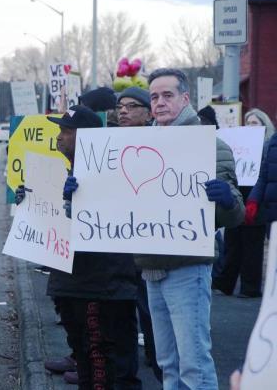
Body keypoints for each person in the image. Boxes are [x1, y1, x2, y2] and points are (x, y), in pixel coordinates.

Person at [134, 68, 245, 390]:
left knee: (194, 365)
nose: (159, 103)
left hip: (187, 266)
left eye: (167, 95)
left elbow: (235, 213)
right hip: (151, 267)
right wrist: (81, 194)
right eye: (154, 96)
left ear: (185, 99)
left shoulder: (210, 145)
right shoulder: (138, 146)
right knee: (168, 363)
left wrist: (226, 201)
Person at [23, 105, 140, 389]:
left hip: (100, 282)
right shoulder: (64, 172)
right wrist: (28, 202)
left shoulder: (114, 173)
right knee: (83, 353)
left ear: (85, 138)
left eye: (66, 131)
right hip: (71, 278)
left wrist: (80, 199)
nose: (59, 137)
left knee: (98, 353)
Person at [115, 87, 162, 383]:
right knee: (120, 321)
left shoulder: (162, 144)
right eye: (120, 106)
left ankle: (160, 369)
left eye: (131, 106)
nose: (123, 111)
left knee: (152, 317)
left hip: (151, 246)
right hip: (116, 247)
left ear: (148, 113)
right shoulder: (105, 145)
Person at [213, 108, 275, 298]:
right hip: (239, 196)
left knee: (252, 246)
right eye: (248, 123)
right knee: (233, 242)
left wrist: (256, 200)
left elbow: (264, 175)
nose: (250, 126)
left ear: (264, 125)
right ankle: (225, 284)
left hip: (257, 200)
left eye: (254, 123)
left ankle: (250, 287)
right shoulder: (240, 144)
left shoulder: (267, 145)